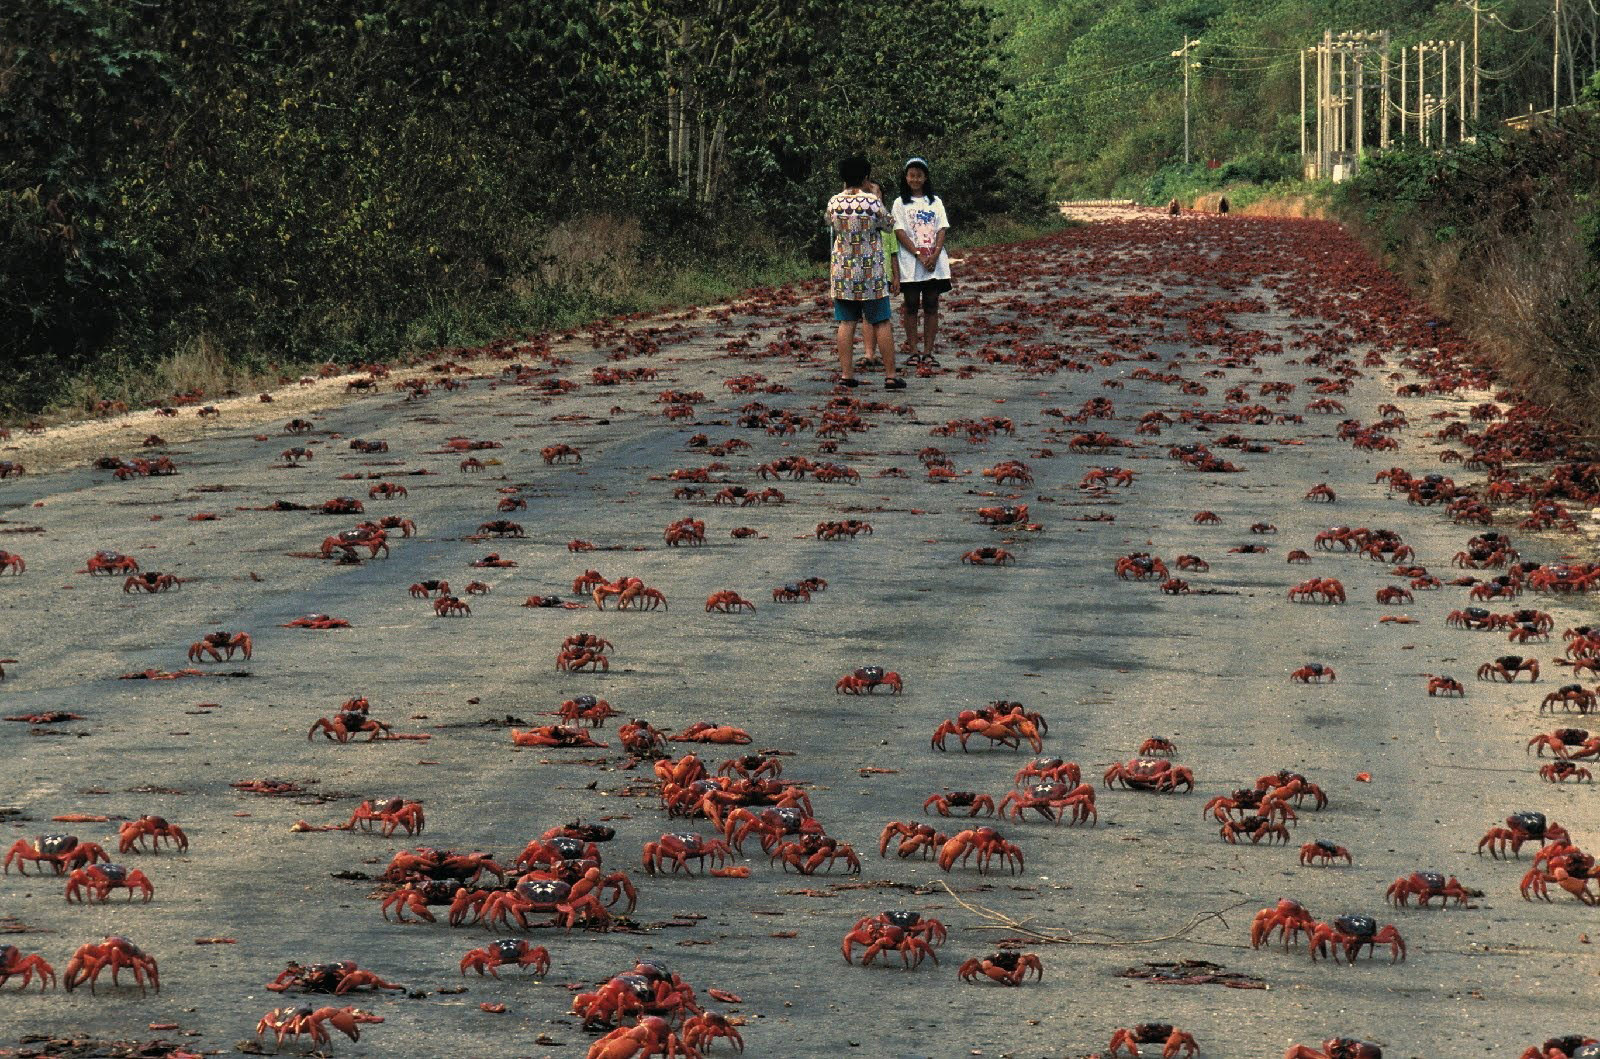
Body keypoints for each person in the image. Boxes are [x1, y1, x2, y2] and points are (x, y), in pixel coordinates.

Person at [825, 156, 901, 389]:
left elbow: (829, 223)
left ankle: (847, 374)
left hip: (843, 272)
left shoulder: (834, 202)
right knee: (881, 321)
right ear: (866, 177)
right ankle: (890, 375)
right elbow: (889, 225)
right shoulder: (872, 202)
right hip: (871, 272)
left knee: (846, 322)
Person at [891, 157, 951, 368]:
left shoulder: (935, 202)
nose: (915, 179)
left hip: (934, 262)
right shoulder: (900, 203)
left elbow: (942, 228)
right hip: (911, 261)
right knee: (910, 305)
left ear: (925, 177)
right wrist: (919, 254)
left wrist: (934, 255)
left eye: (919, 175)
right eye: (911, 175)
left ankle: (928, 351)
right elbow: (899, 231)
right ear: (906, 178)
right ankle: (913, 351)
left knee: (932, 304)